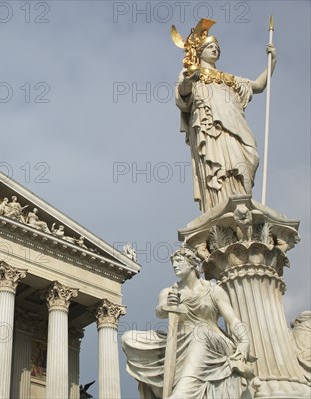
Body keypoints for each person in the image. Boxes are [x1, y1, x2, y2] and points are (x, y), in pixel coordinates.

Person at [122, 247, 254, 398]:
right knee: (129, 338)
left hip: (211, 338)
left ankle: (183, 393)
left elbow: (232, 319)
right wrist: (168, 306)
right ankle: (163, 387)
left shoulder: (213, 290)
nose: (175, 266)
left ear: (191, 263)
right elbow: (159, 312)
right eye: (173, 263)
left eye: (179, 261)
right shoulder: (170, 291)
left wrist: (244, 340)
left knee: (200, 333)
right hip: (178, 338)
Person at [174, 19, 277, 213]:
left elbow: (258, 86)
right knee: (218, 166)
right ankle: (219, 208)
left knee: (249, 157)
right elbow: (183, 94)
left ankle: (242, 203)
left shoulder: (229, 79)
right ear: (200, 51)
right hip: (211, 129)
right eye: (210, 46)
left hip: (235, 126)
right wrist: (190, 77)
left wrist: (272, 63)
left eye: (216, 47)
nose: (215, 50)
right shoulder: (192, 73)